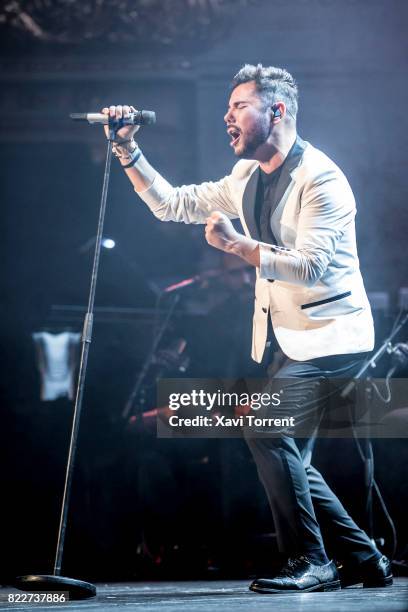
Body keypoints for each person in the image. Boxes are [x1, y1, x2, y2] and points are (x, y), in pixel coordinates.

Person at [102, 64, 393, 593]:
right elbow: (172, 205)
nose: (226, 117)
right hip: (285, 337)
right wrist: (128, 151)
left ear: (276, 111)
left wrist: (237, 246)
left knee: (265, 428)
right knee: (287, 453)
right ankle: (364, 558)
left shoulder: (322, 179)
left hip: (336, 335)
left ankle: (310, 560)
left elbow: (310, 265)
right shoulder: (244, 177)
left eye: (238, 106)